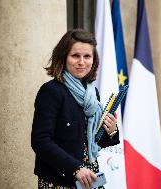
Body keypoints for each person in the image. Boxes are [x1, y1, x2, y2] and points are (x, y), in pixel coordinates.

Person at [31, 29, 120, 189]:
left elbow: (93, 141)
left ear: (94, 60)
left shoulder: (92, 93)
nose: (81, 62)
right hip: (59, 181)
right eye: (75, 56)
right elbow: (41, 141)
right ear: (63, 57)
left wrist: (111, 131)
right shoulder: (51, 91)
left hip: (90, 179)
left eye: (87, 56)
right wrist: (75, 168)